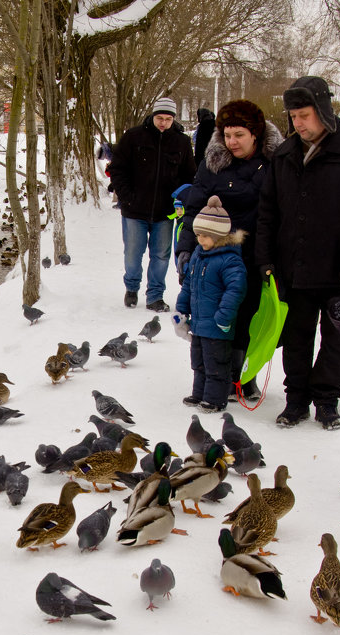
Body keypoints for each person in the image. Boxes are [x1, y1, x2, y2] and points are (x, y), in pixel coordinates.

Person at [255, 75, 340, 430]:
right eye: (293, 117)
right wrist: (266, 259)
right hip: (292, 266)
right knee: (296, 338)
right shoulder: (284, 154)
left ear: (324, 111)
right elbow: (267, 212)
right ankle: (296, 399)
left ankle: (327, 401)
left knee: (338, 339)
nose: (298, 124)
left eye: (304, 115)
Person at [173, 99, 283, 402]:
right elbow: (195, 205)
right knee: (217, 316)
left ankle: (244, 376)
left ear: (256, 134)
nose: (231, 142)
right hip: (215, 253)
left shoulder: (275, 162)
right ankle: (217, 378)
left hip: (256, 252)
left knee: (249, 315)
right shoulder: (214, 162)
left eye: (239, 135)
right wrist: (186, 248)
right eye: (227, 135)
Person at [107, 97, 196, 312]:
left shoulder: (181, 142)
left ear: (173, 119)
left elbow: (189, 176)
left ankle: (155, 295)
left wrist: (182, 199)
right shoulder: (134, 137)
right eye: (159, 118)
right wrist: (126, 196)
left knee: (161, 255)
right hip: (134, 210)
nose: (163, 123)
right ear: (152, 116)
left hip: (165, 212)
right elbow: (118, 168)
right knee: (132, 254)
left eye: (167, 119)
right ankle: (131, 286)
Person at [175, 196, 246, 413]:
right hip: (198, 322)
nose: (200, 240)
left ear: (218, 235)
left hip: (217, 325)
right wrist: (181, 310)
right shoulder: (198, 255)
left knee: (216, 363)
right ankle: (200, 394)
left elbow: (236, 289)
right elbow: (188, 284)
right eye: (198, 235)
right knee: (198, 361)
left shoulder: (229, 259)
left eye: (205, 236)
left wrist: (224, 316)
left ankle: (215, 399)